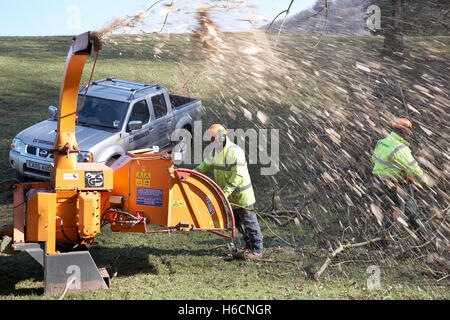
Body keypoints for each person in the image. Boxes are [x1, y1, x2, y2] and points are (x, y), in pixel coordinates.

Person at [195, 124, 264, 261]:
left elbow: (237, 176)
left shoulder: (234, 151)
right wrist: (191, 174)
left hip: (242, 197)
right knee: (239, 224)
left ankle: (257, 251)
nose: (212, 142)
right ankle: (248, 247)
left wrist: (223, 193)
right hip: (230, 198)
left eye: (214, 139)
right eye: (211, 139)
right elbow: (204, 166)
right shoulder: (215, 152)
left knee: (250, 223)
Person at [371, 118, 430, 230]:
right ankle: (385, 232)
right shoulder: (400, 148)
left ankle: (418, 228)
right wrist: (425, 183)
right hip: (395, 182)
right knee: (399, 210)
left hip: (379, 180)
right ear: (404, 132)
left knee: (408, 204)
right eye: (408, 132)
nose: (409, 135)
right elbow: (415, 169)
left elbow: (374, 159)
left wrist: (404, 173)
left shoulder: (381, 142)